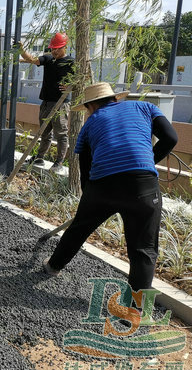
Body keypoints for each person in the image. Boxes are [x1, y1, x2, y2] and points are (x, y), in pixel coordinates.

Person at [43, 82, 178, 294]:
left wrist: (89, 200)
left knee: (78, 229)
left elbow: (85, 167)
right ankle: (135, 308)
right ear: (116, 98)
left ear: (91, 106)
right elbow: (171, 138)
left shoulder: (90, 123)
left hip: (103, 186)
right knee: (144, 248)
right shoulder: (145, 108)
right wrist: (149, 162)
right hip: (142, 185)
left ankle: (53, 266)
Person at [19, 32, 74, 172]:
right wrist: (21, 50)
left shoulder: (71, 62)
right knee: (44, 132)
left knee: (61, 133)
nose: (54, 51)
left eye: (57, 48)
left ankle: (59, 162)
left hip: (61, 103)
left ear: (65, 47)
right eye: (53, 48)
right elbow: (32, 60)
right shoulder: (48, 59)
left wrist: (71, 86)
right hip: (46, 101)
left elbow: (81, 80)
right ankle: (39, 157)